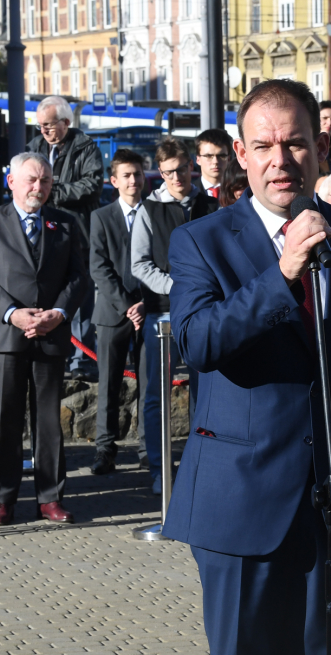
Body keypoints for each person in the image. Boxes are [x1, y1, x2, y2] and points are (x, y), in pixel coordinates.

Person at [164, 79, 331, 655]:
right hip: (241, 505)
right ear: (241, 154)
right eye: (263, 145)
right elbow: (197, 343)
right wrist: (280, 276)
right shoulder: (201, 241)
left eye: (294, 143)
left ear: (320, 148)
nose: (280, 160)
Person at [0, 152, 88, 526]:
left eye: (47, 181)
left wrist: (59, 313)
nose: (40, 187)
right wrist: (13, 314)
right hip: (7, 336)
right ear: (12, 182)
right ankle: (4, 498)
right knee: (7, 419)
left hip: (51, 334)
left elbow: (79, 277)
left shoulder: (66, 223)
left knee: (48, 421)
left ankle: (50, 497)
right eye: (33, 180)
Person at [131, 137, 216, 495]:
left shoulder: (210, 205)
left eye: (181, 169)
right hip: (162, 315)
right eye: (168, 172)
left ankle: (203, 467)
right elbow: (139, 264)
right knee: (155, 395)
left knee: (206, 394)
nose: (176, 177)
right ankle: (158, 470)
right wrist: (176, 288)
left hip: (206, 313)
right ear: (160, 173)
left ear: (191, 166)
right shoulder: (148, 210)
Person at [27, 96, 105, 381]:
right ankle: (50, 354)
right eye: (40, 126)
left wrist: (51, 190)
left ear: (66, 123)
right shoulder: (34, 148)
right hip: (41, 236)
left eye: (49, 125)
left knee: (80, 298)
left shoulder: (85, 147)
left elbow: (92, 186)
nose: (44, 132)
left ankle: (82, 360)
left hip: (77, 234)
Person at [88, 149, 146, 476]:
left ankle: (148, 450)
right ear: (114, 180)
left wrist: (144, 305)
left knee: (149, 386)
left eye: (137, 174)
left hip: (148, 311)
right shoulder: (101, 217)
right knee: (109, 386)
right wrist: (127, 306)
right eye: (126, 175)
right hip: (112, 314)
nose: (133, 180)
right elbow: (99, 267)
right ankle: (105, 452)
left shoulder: (155, 214)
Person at [196, 128, 234, 200]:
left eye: (221, 156)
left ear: (228, 159)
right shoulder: (189, 193)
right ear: (198, 159)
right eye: (209, 156)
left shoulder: (239, 192)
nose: (215, 161)